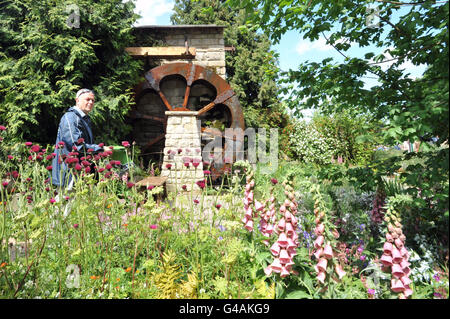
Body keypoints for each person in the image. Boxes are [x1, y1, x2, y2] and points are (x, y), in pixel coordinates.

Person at [51, 88, 104, 192]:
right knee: (66, 203)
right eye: (87, 99)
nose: (90, 102)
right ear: (77, 100)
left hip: (79, 169)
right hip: (68, 169)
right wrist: (100, 149)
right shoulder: (70, 117)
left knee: (77, 204)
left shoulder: (84, 119)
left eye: (93, 100)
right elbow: (75, 145)